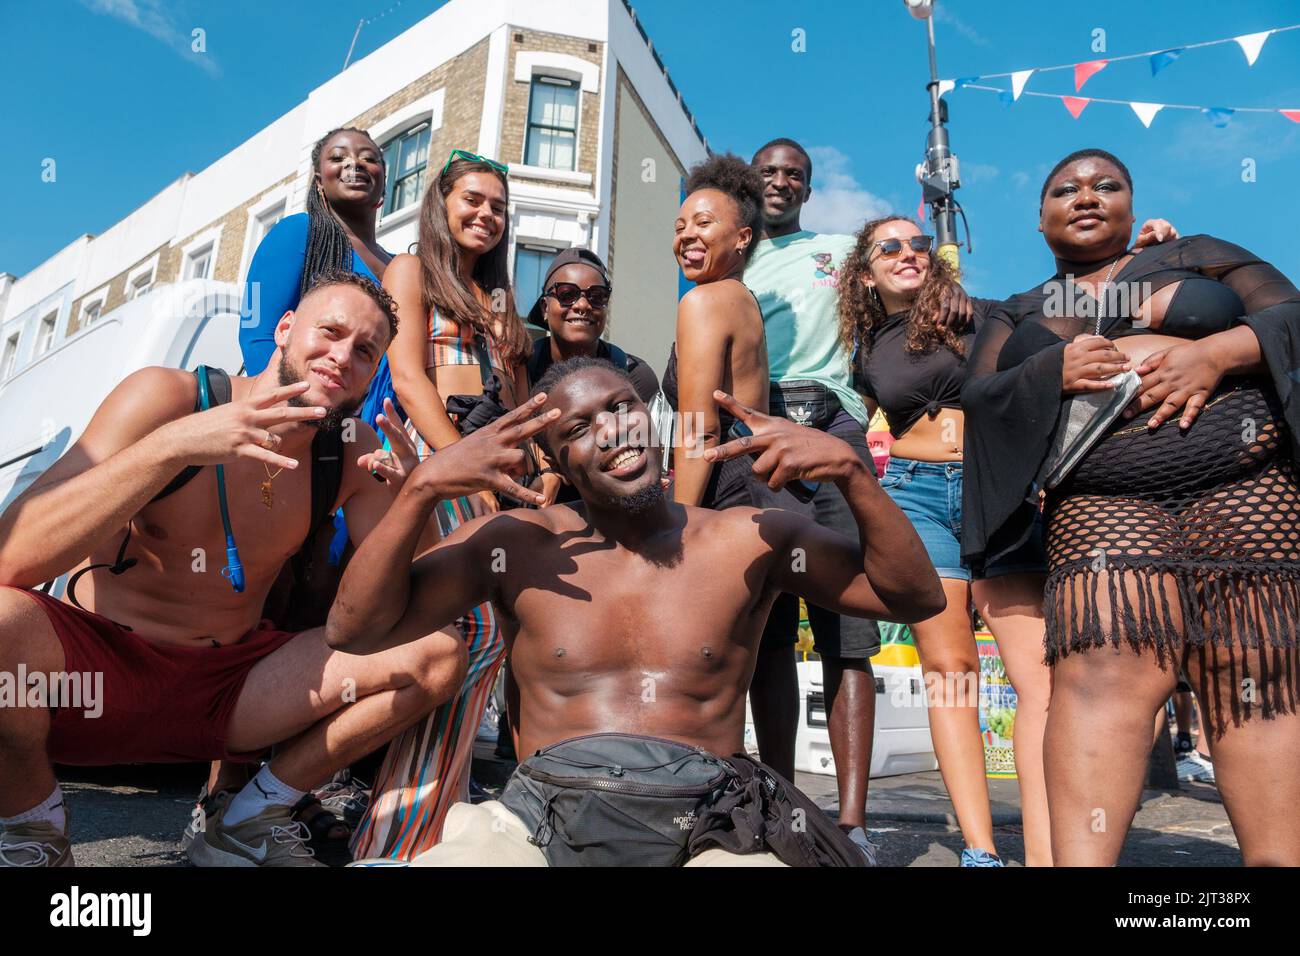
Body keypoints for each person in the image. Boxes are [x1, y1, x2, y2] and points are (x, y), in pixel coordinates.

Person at [325, 358, 947, 866]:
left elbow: (916, 597)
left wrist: (851, 475)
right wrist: (421, 489)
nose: (612, 431)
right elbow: (354, 630)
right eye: (577, 429)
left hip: (709, 826)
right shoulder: (517, 544)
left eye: (622, 407)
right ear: (553, 460)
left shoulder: (751, 536)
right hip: (542, 822)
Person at [0, 272, 463, 868]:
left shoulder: (349, 446)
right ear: (285, 328)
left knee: (437, 653)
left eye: (365, 350)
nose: (343, 356)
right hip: (95, 685)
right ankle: (35, 833)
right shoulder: (170, 397)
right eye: (331, 331)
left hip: (224, 694)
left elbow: (411, 606)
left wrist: (415, 503)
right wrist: (173, 446)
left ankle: (248, 819)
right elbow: (13, 557)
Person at [962, 147, 1300, 866]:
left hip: (1245, 490)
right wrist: (1054, 367)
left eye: (1106, 185)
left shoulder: (1198, 254)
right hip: (1104, 503)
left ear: (1133, 203)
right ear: (1040, 216)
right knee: (1101, 674)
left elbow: (1293, 318)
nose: (1086, 196)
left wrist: (1219, 352)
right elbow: (981, 399)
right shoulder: (1020, 309)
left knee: (1254, 668)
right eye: (1065, 189)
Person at [839, 212, 1176, 866]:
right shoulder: (866, 348)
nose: (908, 251)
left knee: (1041, 680)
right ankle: (980, 849)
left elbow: (1081, 309)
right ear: (866, 271)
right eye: (890, 246)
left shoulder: (986, 314)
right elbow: (853, 425)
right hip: (915, 496)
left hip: (997, 489)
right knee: (952, 675)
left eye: (917, 243)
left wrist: (1143, 257)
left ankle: (1053, 850)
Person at [739, 139, 957, 853]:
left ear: (807, 189)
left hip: (834, 428)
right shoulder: (732, 255)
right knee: (767, 632)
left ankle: (853, 825)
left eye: (794, 174)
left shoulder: (840, 248)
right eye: (769, 172)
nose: (781, 181)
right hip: (758, 429)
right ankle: (775, 811)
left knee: (849, 635)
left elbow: (919, 274)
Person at [222, 125, 397, 852]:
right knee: (273, 596)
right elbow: (263, 337)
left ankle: (303, 789)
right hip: (295, 435)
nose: (356, 165)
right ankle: (225, 794)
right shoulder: (299, 235)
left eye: (370, 158)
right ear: (317, 176)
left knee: (339, 602)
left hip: (366, 448)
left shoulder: (394, 266)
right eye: (338, 157)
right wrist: (298, 423)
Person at [360, 149, 533, 861]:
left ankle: (437, 810)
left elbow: (514, 400)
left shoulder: (494, 297)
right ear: (442, 202)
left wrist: (531, 470)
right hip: (436, 469)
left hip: (487, 472)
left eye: (497, 206)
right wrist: (466, 470)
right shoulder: (410, 270)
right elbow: (408, 376)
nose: (485, 215)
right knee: (468, 634)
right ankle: (400, 826)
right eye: (473, 200)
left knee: (489, 641)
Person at [663, 153, 771, 511]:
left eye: (703, 223)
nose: (687, 235)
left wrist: (681, 524)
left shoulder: (703, 301)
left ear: (743, 237)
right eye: (680, 228)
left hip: (722, 487)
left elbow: (699, 430)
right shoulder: (743, 299)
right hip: (755, 485)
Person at [525, 246, 660, 506]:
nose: (583, 305)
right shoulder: (521, 368)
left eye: (597, 296)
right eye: (567, 294)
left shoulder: (633, 376)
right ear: (544, 306)